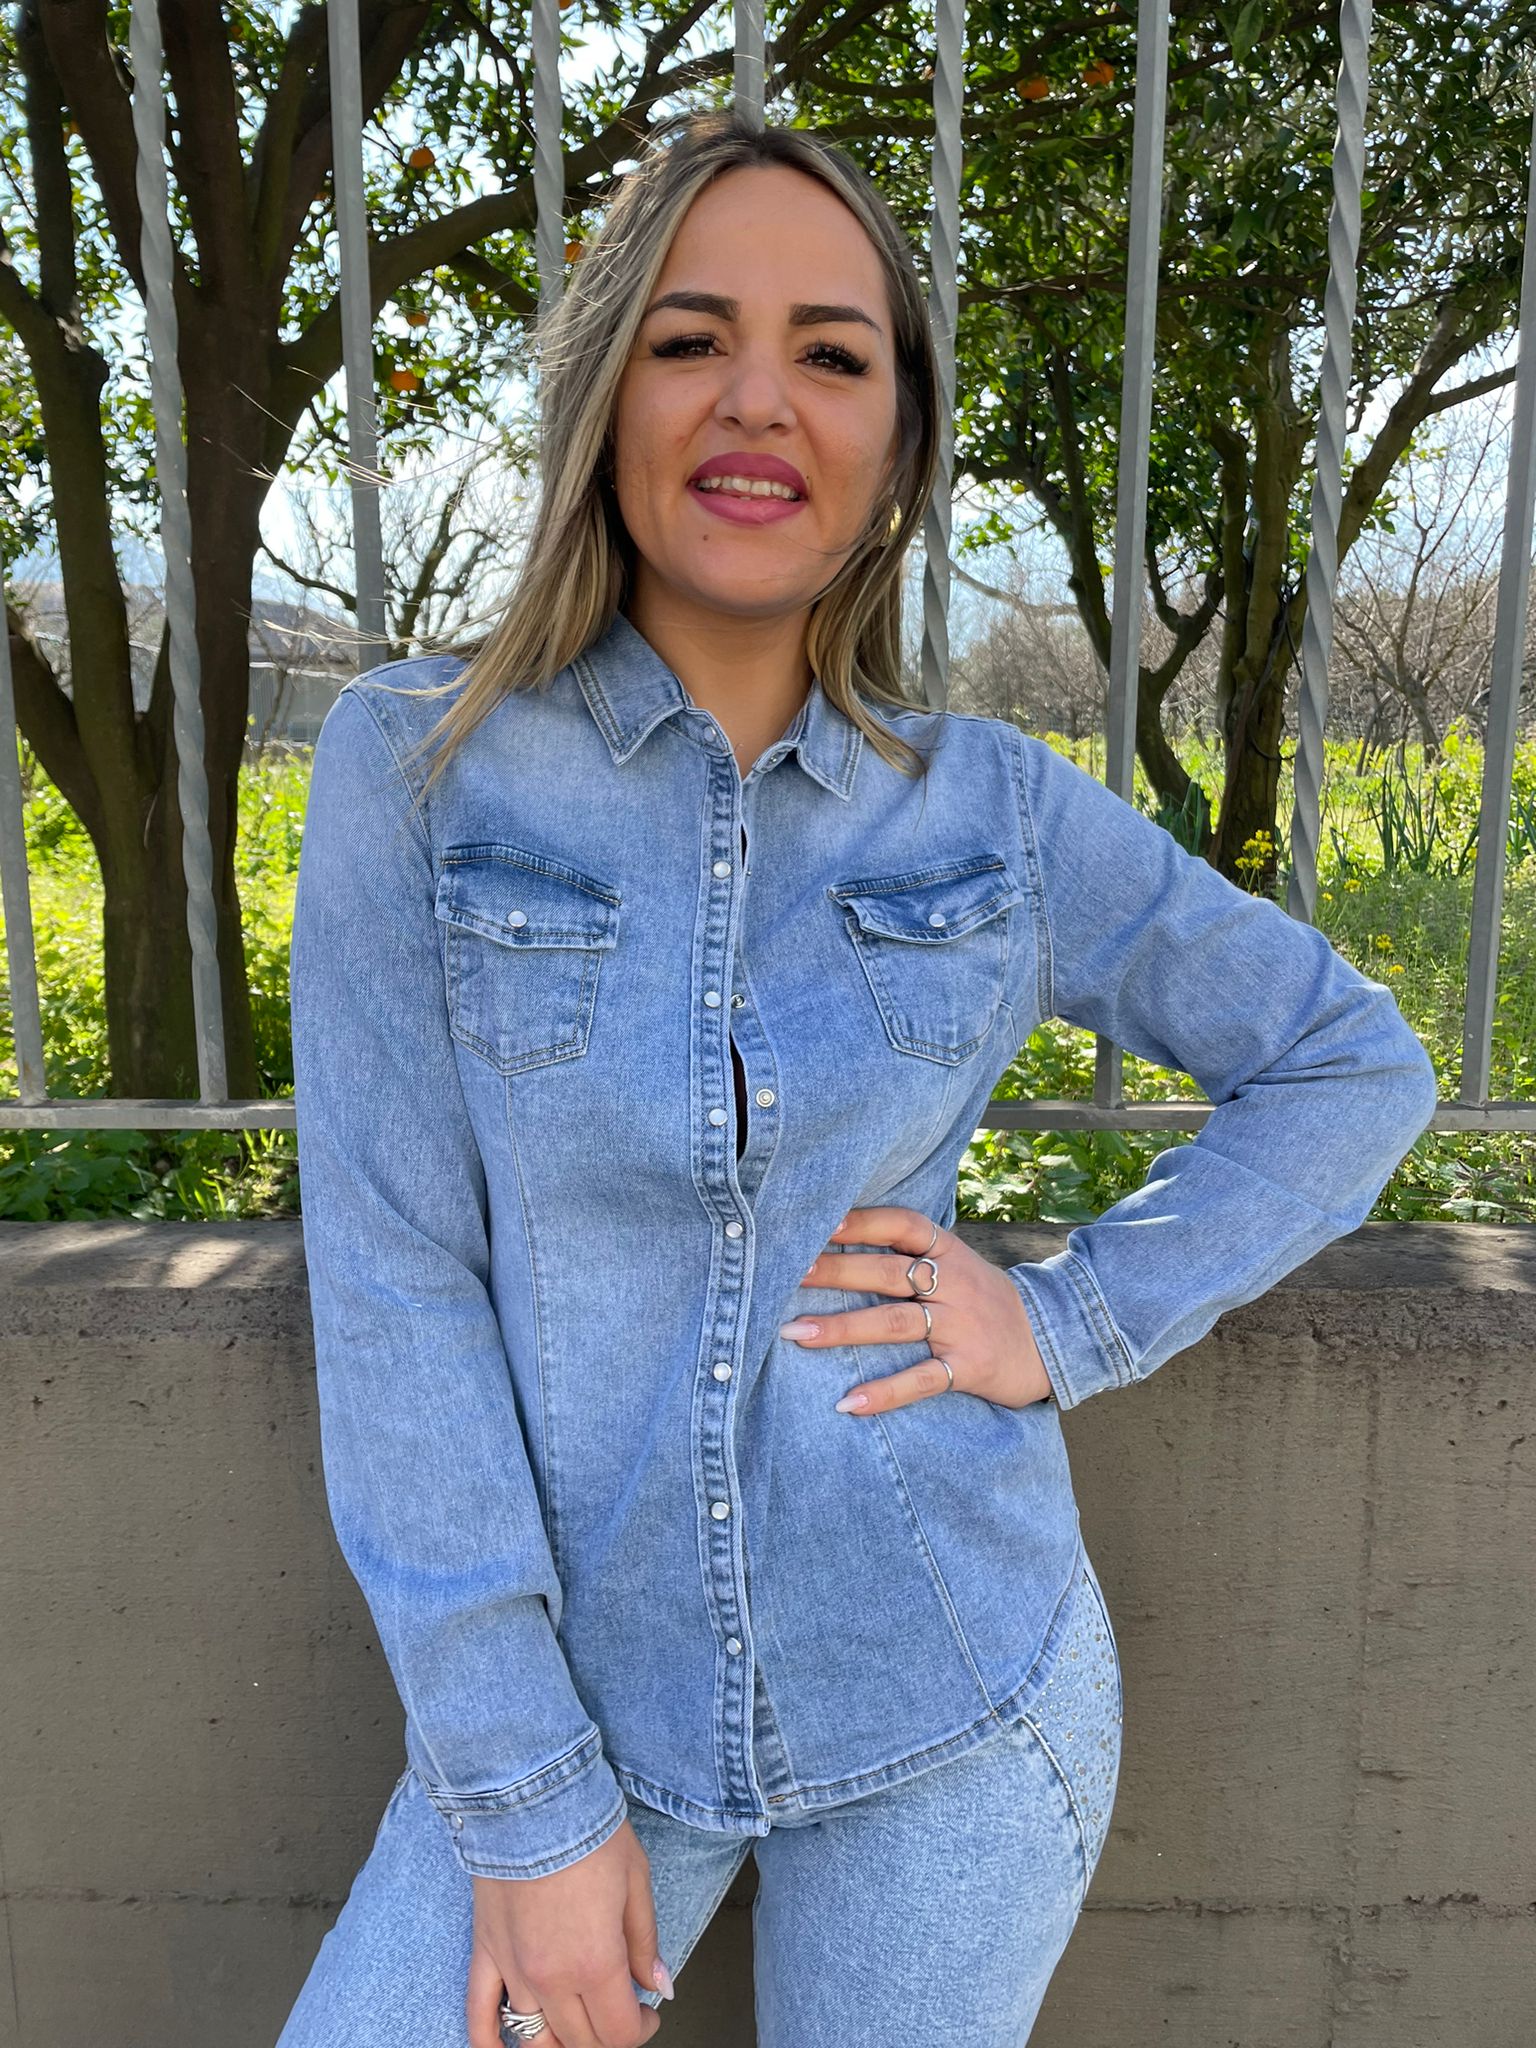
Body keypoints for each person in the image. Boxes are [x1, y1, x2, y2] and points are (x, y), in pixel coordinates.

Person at [278, 109, 1439, 2048]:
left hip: (955, 1687)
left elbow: (1352, 1060)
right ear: (606, 396)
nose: (759, 399)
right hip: (587, 1718)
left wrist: (1064, 1319)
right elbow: (400, 1290)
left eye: (831, 353)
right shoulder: (421, 768)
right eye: (691, 337)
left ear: (897, 446)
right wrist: (525, 1799)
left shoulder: (989, 811)